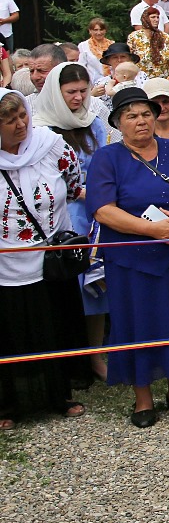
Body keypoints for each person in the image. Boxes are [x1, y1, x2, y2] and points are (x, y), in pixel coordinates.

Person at [87, 88, 169, 427]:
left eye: (145, 113)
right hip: (133, 259)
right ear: (118, 123)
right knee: (138, 323)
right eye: (131, 116)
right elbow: (103, 211)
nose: (140, 121)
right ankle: (143, 399)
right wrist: (153, 231)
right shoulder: (107, 157)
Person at [0, 88, 88, 427]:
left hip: (51, 257)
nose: (20, 125)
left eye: (22, 115)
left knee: (53, 325)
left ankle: (59, 395)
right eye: (9, 122)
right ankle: (10, 405)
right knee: (12, 330)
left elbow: (73, 180)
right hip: (6, 261)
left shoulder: (49, 145)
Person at [33, 63, 111, 363]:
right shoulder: (42, 128)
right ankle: (69, 354)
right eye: (71, 92)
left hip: (96, 212)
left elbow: (102, 163)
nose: (78, 98)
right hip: (62, 213)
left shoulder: (94, 123)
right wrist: (80, 191)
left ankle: (96, 353)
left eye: (82, 91)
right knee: (69, 285)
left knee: (95, 283)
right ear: (56, 92)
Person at [128, 5, 169, 78]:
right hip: (143, 80)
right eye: (153, 17)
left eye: (157, 17)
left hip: (164, 79)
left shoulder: (166, 37)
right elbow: (129, 61)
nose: (156, 20)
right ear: (145, 19)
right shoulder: (134, 37)